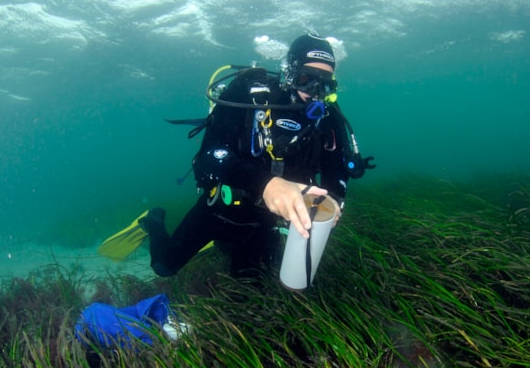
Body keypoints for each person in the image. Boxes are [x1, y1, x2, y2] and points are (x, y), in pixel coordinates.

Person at [139, 33, 374, 278]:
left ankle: (224, 247)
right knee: (163, 267)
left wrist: (334, 200)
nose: (315, 92)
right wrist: (266, 184)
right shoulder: (250, 94)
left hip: (265, 223)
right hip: (220, 208)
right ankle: (153, 221)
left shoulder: (328, 118)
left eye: (325, 84)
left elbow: (336, 169)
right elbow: (209, 156)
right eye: (307, 79)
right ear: (291, 72)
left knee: (250, 292)